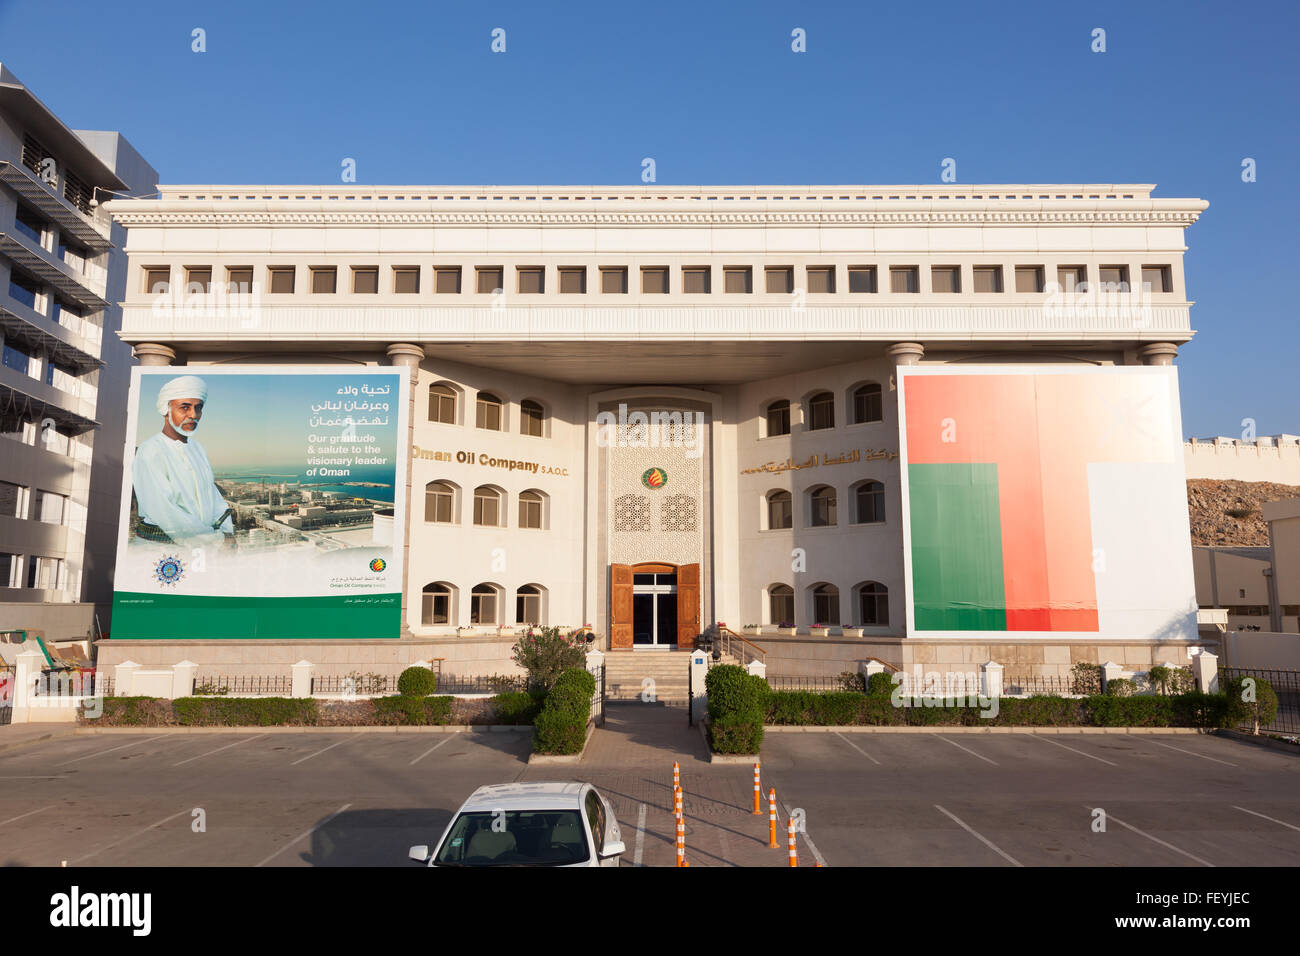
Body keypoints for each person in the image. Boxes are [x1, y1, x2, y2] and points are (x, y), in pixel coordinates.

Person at [131, 375, 233, 547]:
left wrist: (226, 532)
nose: (193, 415)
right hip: (160, 548)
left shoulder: (198, 449)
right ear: (166, 409)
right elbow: (163, 510)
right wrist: (214, 541)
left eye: (198, 408)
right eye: (184, 407)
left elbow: (212, 495)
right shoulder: (150, 450)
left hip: (204, 547)